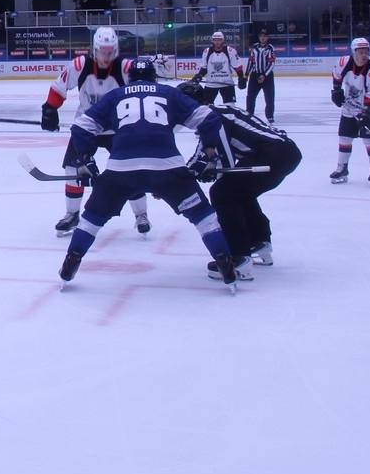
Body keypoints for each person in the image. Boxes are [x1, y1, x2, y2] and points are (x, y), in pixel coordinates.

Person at [58, 59, 239, 292]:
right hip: (168, 167)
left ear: (129, 78)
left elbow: (81, 126)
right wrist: (209, 151)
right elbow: (209, 119)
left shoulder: (115, 95)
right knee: (203, 216)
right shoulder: (169, 93)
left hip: (121, 169)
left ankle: (71, 260)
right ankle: (225, 262)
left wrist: (85, 158)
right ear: (154, 77)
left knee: (92, 218)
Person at [179, 79, 303, 281]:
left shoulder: (211, 117)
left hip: (273, 154)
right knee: (240, 191)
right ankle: (259, 241)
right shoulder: (219, 111)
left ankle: (238, 256)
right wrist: (203, 170)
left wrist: (183, 176)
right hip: (285, 153)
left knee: (223, 193)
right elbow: (212, 156)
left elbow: (224, 161)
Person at [40, 26, 151, 237]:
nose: (106, 56)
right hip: (86, 128)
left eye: (111, 52)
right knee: (72, 169)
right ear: (94, 49)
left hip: (117, 129)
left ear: (116, 50)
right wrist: (50, 109)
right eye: (102, 51)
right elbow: (59, 87)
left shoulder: (126, 68)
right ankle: (72, 214)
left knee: (130, 169)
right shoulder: (80, 65)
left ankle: (141, 215)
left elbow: (143, 90)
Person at [328, 37, 370, 186]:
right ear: (354, 52)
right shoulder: (344, 62)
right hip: (350, 107)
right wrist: (336, 91)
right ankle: (342, 168)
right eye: (360, 52)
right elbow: (337, 75)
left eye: (366, 52)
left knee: (369, 139)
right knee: (344, 137)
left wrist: (365, 114)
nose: (364, 55)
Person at [188, 31, 245, 105]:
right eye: (215, 40)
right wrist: (199, 76)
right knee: (206, 106)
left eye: (219, 40)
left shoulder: (230, 51)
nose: (217, 42)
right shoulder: (207, 52)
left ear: (222, 40)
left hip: (227, 84)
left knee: (230, 107)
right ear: (212, 41)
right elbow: (204, 68)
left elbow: (238, 66)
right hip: (211, 84)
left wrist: (241, 78)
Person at [244, 28, 277, 123]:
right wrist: (246, 74)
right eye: (261, 36)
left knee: (269, 97)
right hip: (254, 75)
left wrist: (264, 75)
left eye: (264, 36)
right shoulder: (254, 47)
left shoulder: (270, 48)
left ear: (268, 37)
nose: (262, 38)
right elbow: (251, 61)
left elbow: (271, 63)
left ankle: (270, 116)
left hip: (267, 76)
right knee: (250, 96)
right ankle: (249, 113)